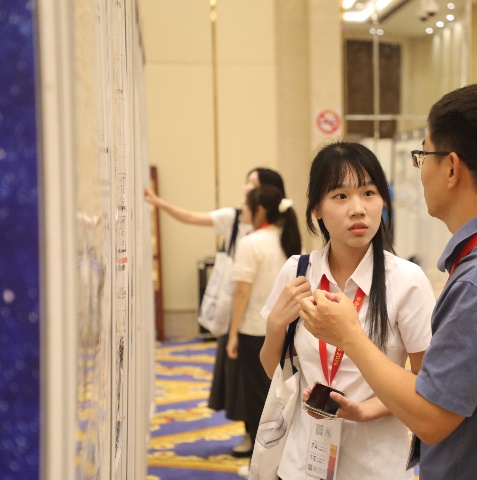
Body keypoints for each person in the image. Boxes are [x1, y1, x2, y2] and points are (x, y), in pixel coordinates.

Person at [299, 85, 477, 479]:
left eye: (423, 155)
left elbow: (430, 417)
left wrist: (350, 337)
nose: (421, 170)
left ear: (451, 168)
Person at [258, 142, 435, 480]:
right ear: (316, 209)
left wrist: (364, 411)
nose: (358, 209)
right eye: (340, 196)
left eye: (369, 193)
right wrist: (275, 326)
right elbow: (274, 372)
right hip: (300, 463)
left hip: (374, 466)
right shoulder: (298, 272)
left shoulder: (406, 280)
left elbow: (426, 383)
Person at [144, 167, 286, 456]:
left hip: (251, 319)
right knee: (249, 382)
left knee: (255, 383)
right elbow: (191, 217)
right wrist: (158, 203)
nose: (247, 188)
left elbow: (245, 290)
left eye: (254, 183)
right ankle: (254, 436)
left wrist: (234, 333)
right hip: (251, 317)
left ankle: (260, 441)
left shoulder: (272, 232)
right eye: (247, 182)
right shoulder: (239, 219)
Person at [225, 184, 302, 460]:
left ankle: (261, 459)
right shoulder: (290, 238)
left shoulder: (251, 243)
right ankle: (279, 455)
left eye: (245, 206)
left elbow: (242, 292)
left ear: (259, 210)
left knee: (258, 397)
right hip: (287, 328)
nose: (242, 212)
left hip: (255, 329)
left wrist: (233, 334)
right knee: (281, 395)